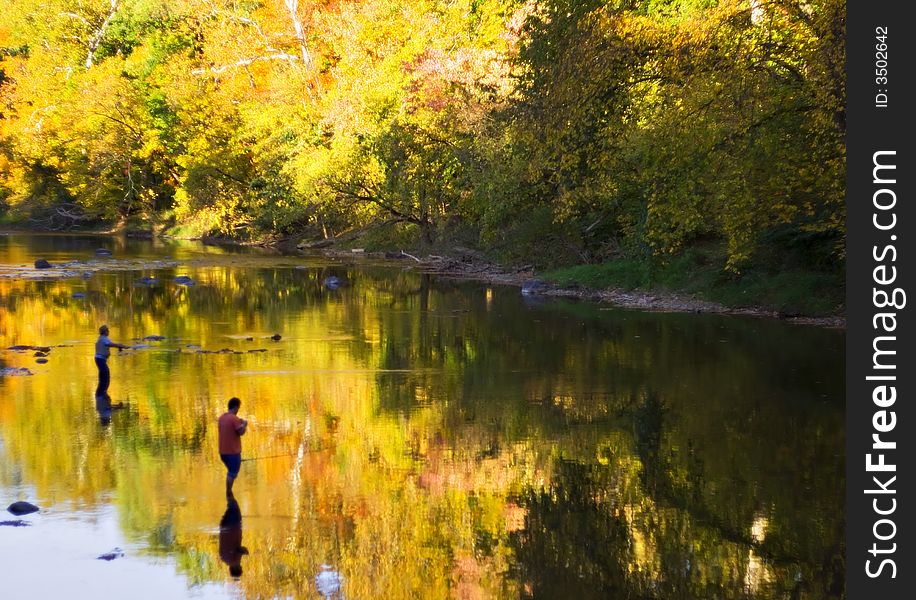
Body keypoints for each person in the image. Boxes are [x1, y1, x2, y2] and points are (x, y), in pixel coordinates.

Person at [218, 397, 248, 496]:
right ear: (235, 407)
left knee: (231, 471)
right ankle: (228, 493)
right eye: (238, 408)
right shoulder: (234, 419)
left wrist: (239, 422)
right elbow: (241, 432)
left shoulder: (222, 418)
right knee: (232, 472)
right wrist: (244, 424)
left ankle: (229, 493)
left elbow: (229, 428)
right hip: (232, 452)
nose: (238, 410)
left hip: (223, 452)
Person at [219, 495, 248, 578]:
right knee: (231, 505)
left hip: (233, 526)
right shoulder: (223, 558)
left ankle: (228, 483)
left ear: (236, 569)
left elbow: (240, 550)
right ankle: (229, 485)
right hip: (223, 526)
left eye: (241, 568)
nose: (241, 566)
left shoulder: (235, 562)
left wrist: (245, 552)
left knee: (233, 505)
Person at [94, 325, 128, 397]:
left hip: (99, 359)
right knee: (105, 372)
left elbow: (110, 344)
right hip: (100, 359)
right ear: (105, 332)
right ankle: (102, 391)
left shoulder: (103, 338)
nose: (108, 331)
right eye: (107, 330)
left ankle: (101, 389)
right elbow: (110, 344)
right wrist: (120, 345)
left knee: (103, 372)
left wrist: (119, 347)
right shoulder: (103, 339)